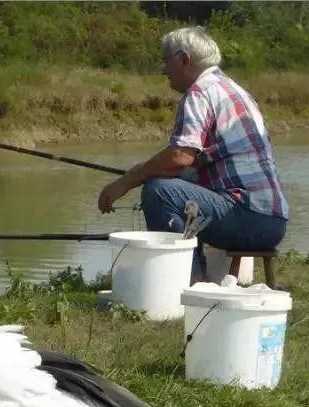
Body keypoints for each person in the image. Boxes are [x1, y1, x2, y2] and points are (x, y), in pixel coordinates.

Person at [97, 26, 288, 281]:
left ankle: (184, 283)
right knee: (176, 182)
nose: (163, 70)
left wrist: (124, 182)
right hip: (274, 221)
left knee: (159, 191)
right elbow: (187, 165)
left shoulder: (199, 93)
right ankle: (198, 277)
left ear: (184, 59)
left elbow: (179, 157)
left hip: (247, 218)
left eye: (165, 61)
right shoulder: (234, 90)